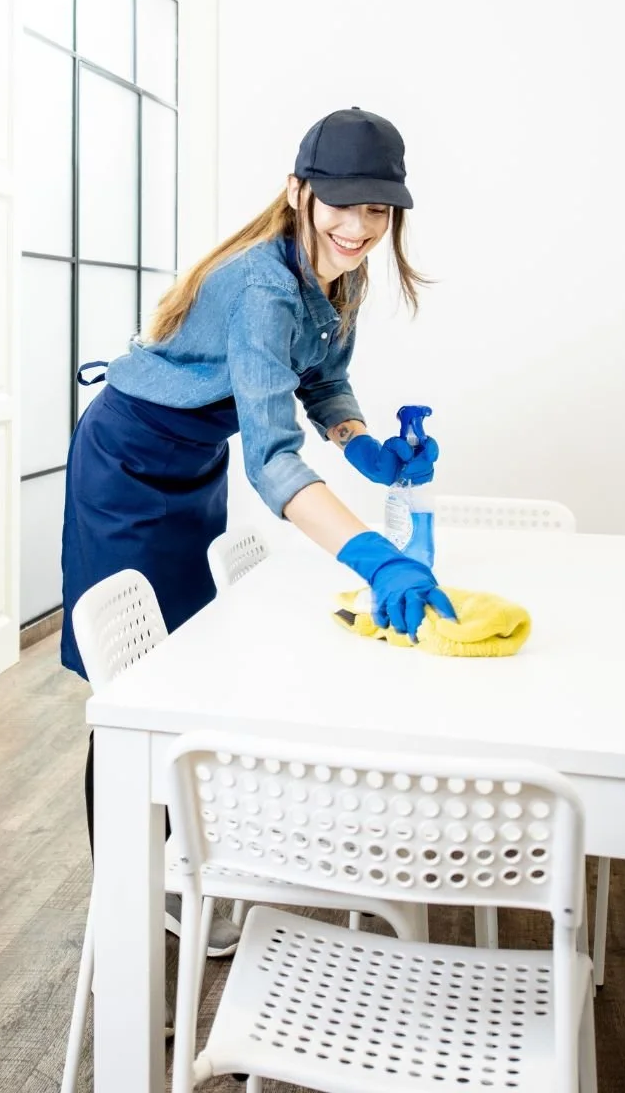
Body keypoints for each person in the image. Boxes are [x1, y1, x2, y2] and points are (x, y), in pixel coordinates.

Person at [60, 107, 453, 956]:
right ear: (299, 192)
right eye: (343, 206)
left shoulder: (339, 273)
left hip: (191, 460)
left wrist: (368, 448)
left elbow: (325, 387)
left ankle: (181, 864)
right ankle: (127, 897)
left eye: (378, 212)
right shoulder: (264, 286)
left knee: (186, 672)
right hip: (125, 462)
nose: (359, 228)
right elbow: (273, 460)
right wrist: (372, 555)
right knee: (130, 691)